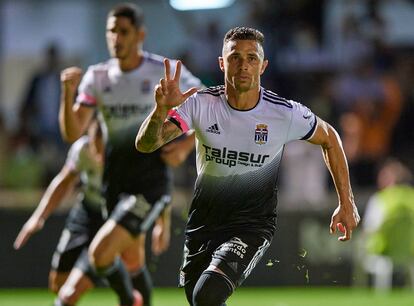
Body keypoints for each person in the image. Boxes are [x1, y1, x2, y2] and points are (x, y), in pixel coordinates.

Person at [136, 26, 360, 306]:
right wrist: (159, 111)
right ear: (221, 63)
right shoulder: (200, 104)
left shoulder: (283, 113)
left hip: (250, 225)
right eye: (235, 57)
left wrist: (346, 201)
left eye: (251, 58)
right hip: (203, 224)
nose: (243, 65)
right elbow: (146, 144)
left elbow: (330, 138)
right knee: (200, 300)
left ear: (263, 66)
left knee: (206, 296)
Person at [59, 3, 202, 306]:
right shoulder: (96, 77)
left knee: (100, 254)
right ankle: (134, 299)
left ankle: (129, 298)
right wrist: (67, 94)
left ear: (140, 35)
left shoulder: (162, 70)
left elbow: (207, 104)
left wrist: (186, 146)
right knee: (132, 262)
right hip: (115, 184)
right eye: (111, 31)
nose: (116, 38)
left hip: (149, 185)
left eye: (123, 31)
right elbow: (73, 133)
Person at [13, 120, 169, 305]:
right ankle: (115, 271)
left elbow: (156, 188)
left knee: (72, 291)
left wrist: (162, 224)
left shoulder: (129, 155)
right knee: (57, 284)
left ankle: (127, 295)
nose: (100, 158)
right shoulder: (82, 150)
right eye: (97, 150)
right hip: (86, 213)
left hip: (114, 216)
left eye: (105, 151)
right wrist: (38, 217)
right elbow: (64, 181)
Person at [362, 159, 414, 291]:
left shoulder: (380, 199)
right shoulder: (411, 198)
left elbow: (369, 229)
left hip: (382, 252)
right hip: (409, 253)